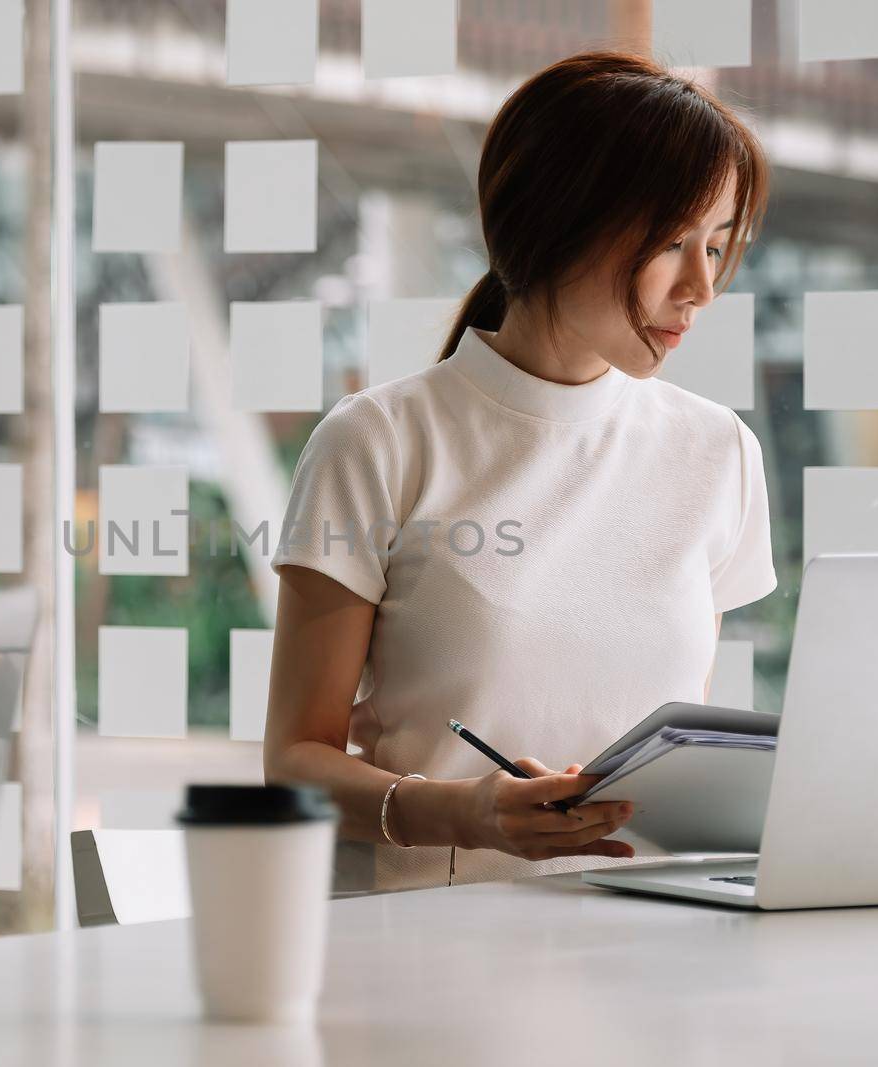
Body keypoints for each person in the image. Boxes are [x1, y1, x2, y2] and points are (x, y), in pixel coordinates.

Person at [263, 50, 777, 893]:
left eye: (717, 246)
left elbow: (680, 748)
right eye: (672, 242)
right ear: (557, 221)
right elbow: (295, 763)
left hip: (654, 945)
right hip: (429, 943)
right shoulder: (379, 441)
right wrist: (469, 812)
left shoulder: (717, 453)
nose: (701, 287)